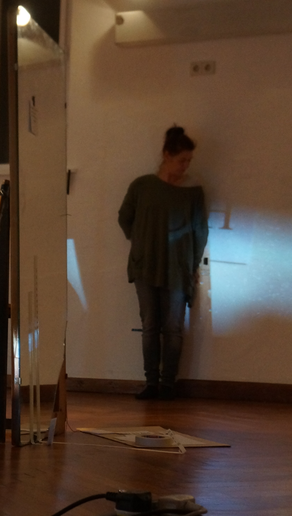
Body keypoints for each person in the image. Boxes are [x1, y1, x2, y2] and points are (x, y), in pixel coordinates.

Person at [117, 126, 208, 401]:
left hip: (178, 269)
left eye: (189, 160)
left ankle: (168, 384)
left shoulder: (193, 192)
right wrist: (142, 243)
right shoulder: (142, 186)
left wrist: (192, 265)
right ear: (167, 155)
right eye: (182, 160)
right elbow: (124, 217)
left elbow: (200, 231)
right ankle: (151, 383)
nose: (186, 165)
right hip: (145, 266)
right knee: (150, 326)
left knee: (173, 328)